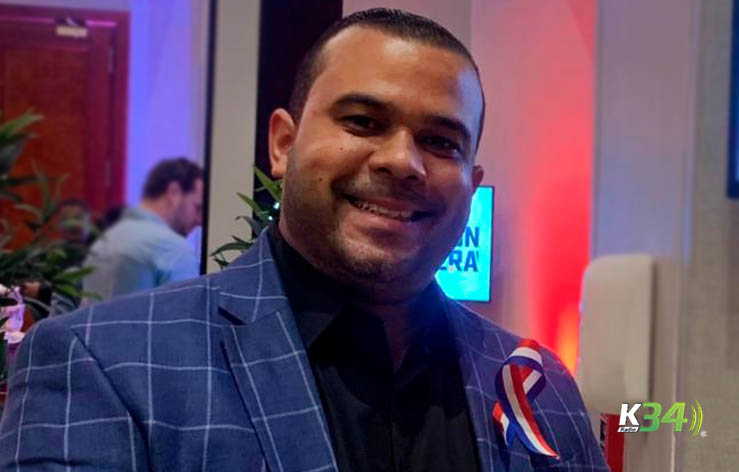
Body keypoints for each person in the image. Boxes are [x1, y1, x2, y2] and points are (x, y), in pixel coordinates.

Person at [0, 9, 608, 471]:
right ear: (283, 144)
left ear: (471, 183)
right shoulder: (105, 363)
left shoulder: (538, 387)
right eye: (363, 122)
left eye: (441, 142)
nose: (403, 161)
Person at [80, 157, 203, 300]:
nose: (199, 220)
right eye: (197, 207)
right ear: (174, 192)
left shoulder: (103, 241)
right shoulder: (174, 250)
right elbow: (185, 312)